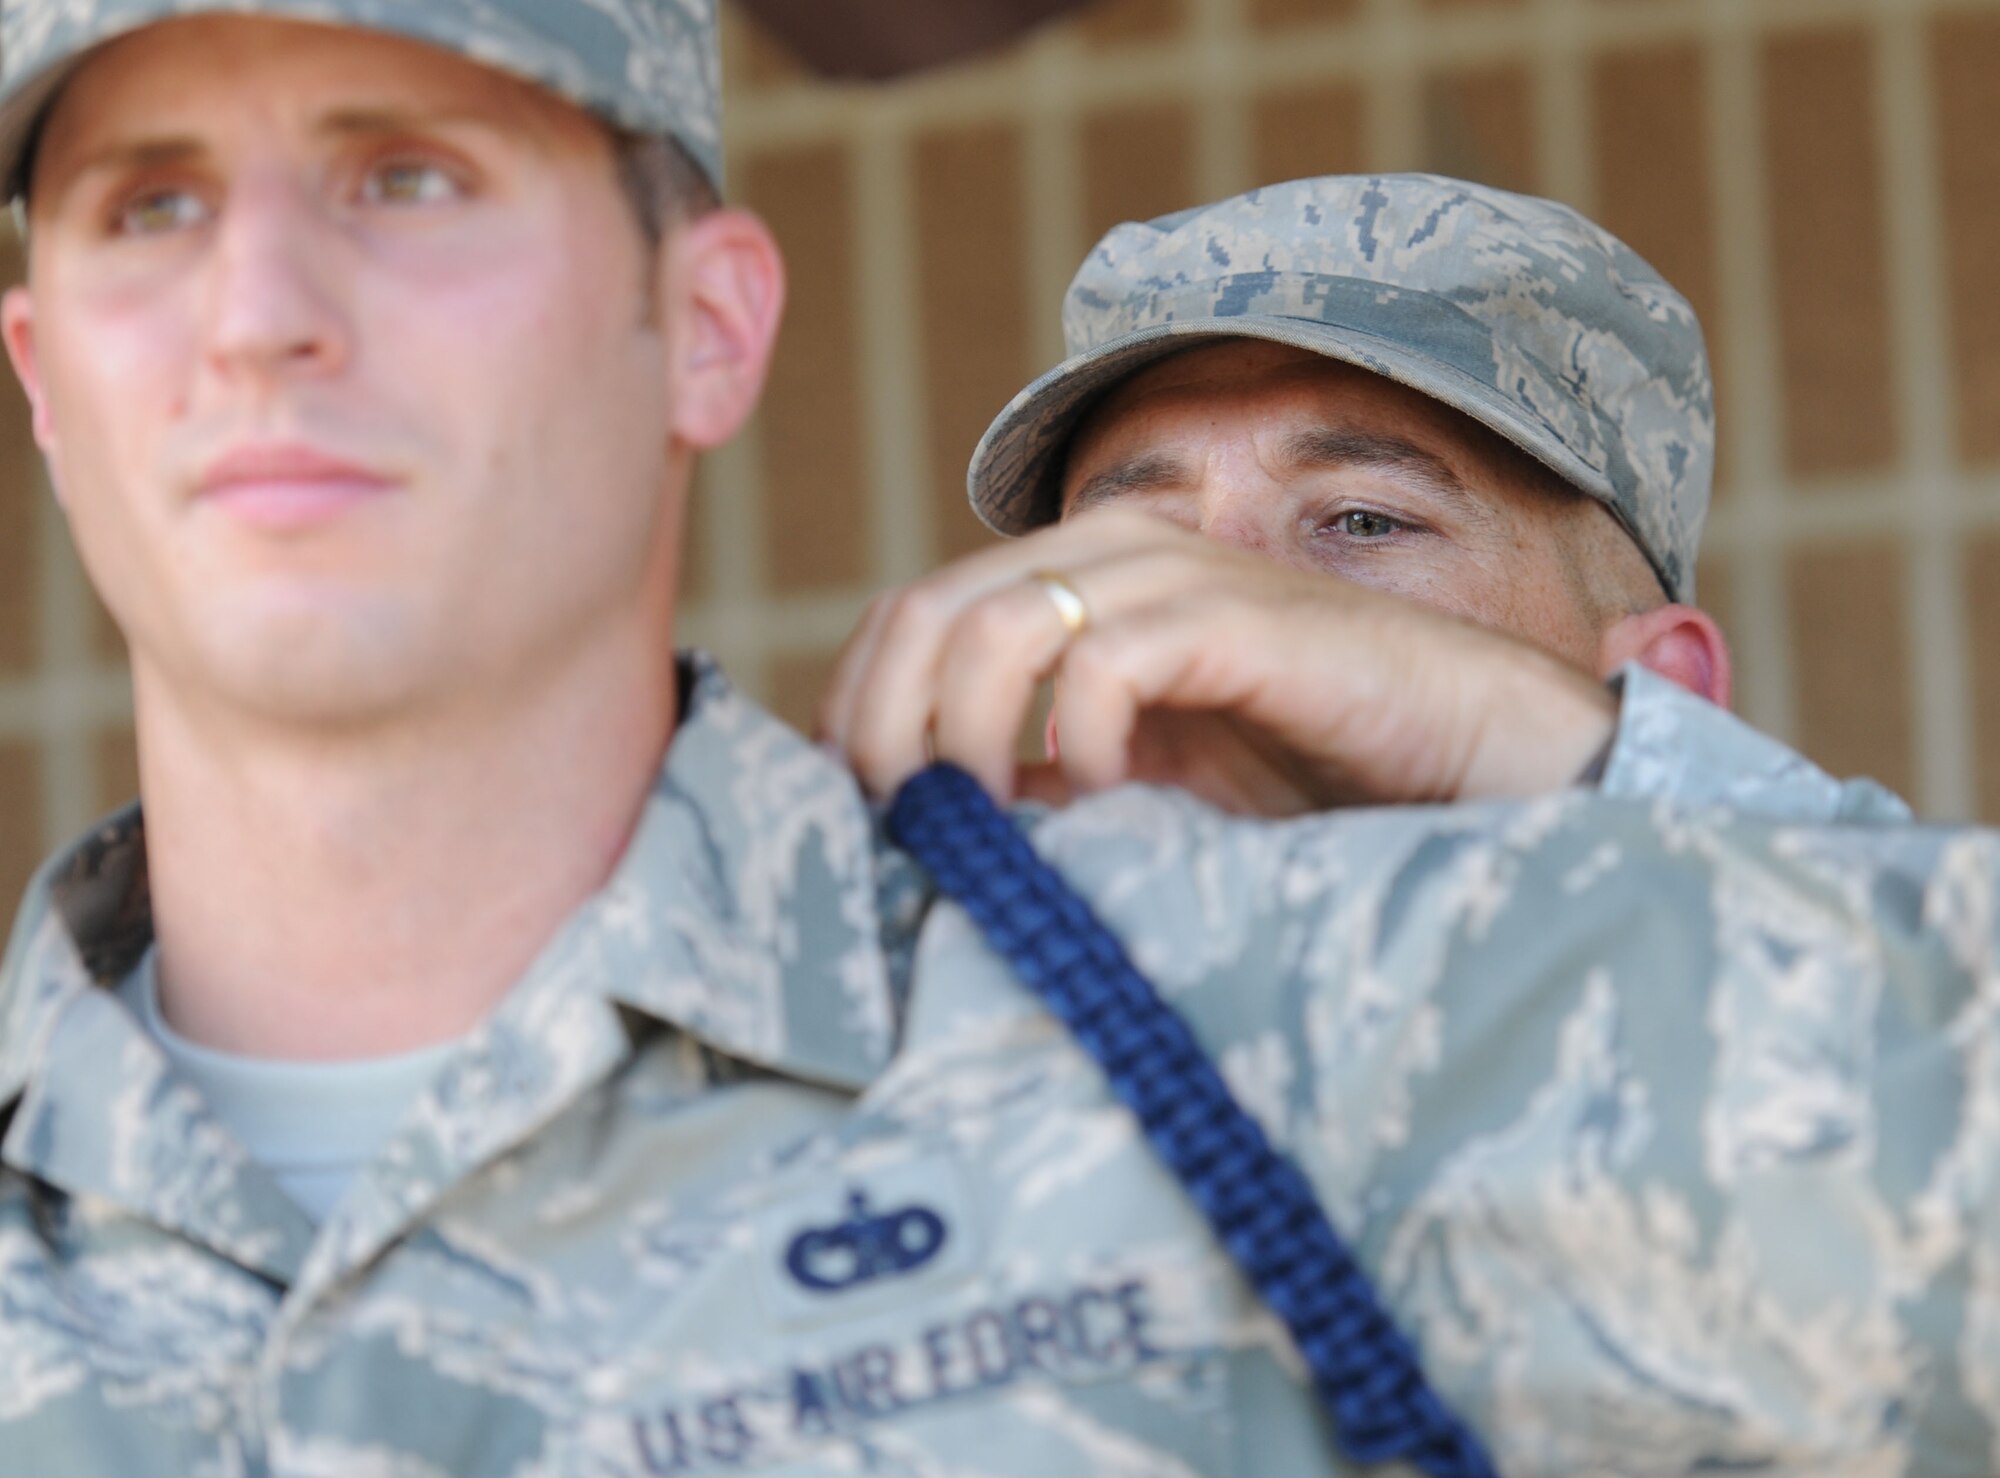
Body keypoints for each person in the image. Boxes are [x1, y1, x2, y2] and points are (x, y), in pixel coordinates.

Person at [0, 7, 1987, 1477]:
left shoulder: (1321, 1026)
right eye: (146, 203)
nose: (255, 310)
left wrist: (1560, 757)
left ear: (705, 322)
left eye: (407, 175)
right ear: (40, 369)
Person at [824, 174, 1904, 827]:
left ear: (1653, 703)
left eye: (1363, 521)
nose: (1218, 619)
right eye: (1135, 553)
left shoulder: (1784, 1040)